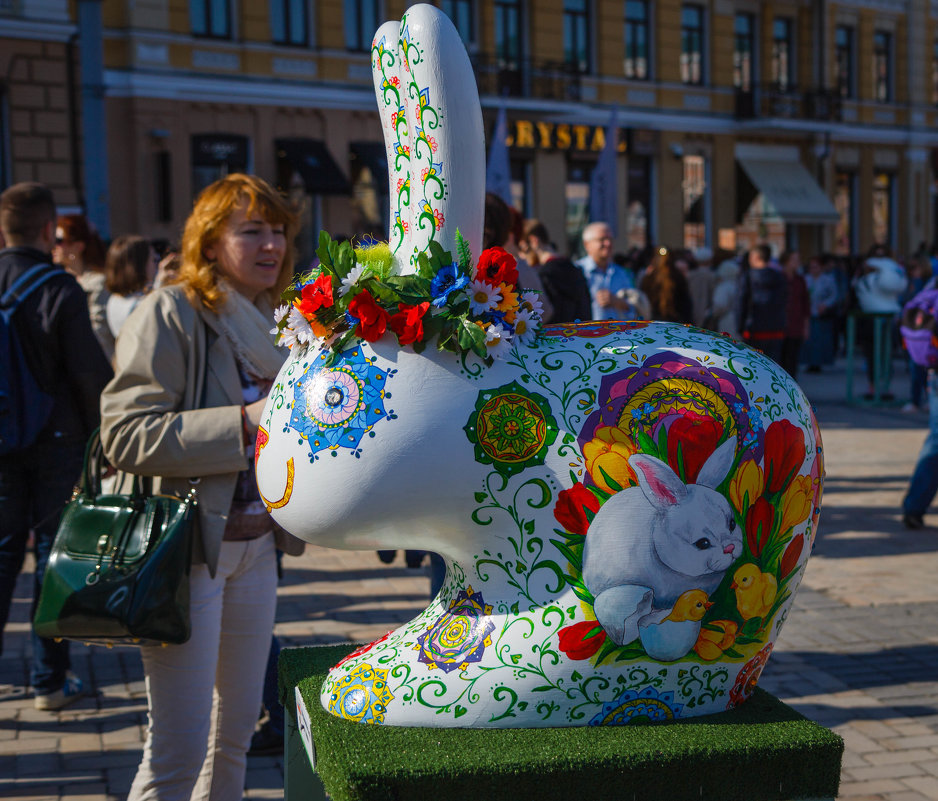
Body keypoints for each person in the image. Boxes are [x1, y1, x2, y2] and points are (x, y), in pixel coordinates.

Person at [100, 174, 304, 799]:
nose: (271, 245)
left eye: (278, 231)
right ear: (210, 244)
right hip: (184, 551)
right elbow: (126, 434)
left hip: (256, 549)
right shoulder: (171, 313)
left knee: (234, 737)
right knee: (179, 748)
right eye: (252, 232)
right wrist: (245, 422)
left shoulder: (283, 323)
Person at [0, 183, 112, 710]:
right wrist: (103, 441)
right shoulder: (59, 288)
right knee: (51, 558)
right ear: (48, 230)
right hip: (55, 443)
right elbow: (90, 375)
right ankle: (50, 680)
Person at [52, 214, 114, 362]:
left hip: (92, 363)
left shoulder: (97, 282)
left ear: (78, 246)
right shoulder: (55, 281)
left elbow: (100, 332)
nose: (53, 246)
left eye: (59, 241)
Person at [523, 219, 592, 323]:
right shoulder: (575, 269)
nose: (522, 256)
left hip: (554, 336)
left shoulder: (543, 275)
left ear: (533, 241)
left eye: (522, 249)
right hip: (580, 335)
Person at [735, 244, 788, 364]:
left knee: (753, 365)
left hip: (754, 328)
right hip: (776, 329)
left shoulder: (748, 276)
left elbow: (741, 302)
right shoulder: (779, 276)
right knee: (774, 366)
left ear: (756, 257)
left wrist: (740, 327)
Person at [575, 221, 634, 320]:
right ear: (587, 244)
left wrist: (617, 302)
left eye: (610, 239)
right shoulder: (576, 271)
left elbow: (633, 309)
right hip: (586, 334)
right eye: (602, 239)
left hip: (618, 333)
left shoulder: (622, 273)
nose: (608, 243)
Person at [104, 235, 158, 339]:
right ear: (139, 266)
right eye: (153, 260)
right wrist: (161, 285)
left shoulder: (114, 299)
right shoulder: (135, 305)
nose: (156, 265)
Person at [639, 247, 694, 323]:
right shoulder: (649, 278)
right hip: (661, 320)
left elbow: (685, 302)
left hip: (668, 320)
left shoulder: (677, 277)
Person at [780, 250, 810, 380]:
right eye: (794, 259)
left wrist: (806, 326)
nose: (797, 263)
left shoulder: (800, 280)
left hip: (796, 324)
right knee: (780, 359)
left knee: (793, 359)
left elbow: (805, 304)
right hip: (780, 324)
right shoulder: (779, 278)